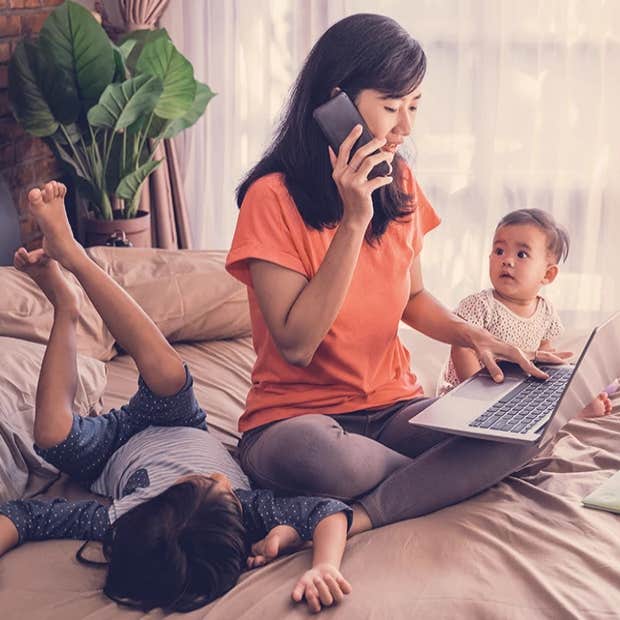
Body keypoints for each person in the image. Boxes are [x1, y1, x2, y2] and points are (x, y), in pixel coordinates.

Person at [225, 13, 581, 531]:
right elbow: (297, 344)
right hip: (296, 421)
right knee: (322, 456)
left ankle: (366, 514)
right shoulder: (271, 197)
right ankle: (443, 479)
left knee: (529, 427)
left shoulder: (401, 180)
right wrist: (353, 220)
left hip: (393, 409)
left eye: (413, 106)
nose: (405, 127)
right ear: (335, 103)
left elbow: (413, 298)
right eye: (391, 107)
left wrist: (477, 336)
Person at [0, 182, 362, 614]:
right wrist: (320, 563)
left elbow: (25, 518)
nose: (224, 478)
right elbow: (328, 511)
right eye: (222, 487)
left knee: (51, 434)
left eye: (202, 481)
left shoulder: (122, 521)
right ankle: (75, 256)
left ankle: (66, 305)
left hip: (107, 453)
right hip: (174, 421)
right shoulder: (246, 511)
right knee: (170, 373)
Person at [438, 208, 617, 416]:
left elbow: (544, 351)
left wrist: (560, 373)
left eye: (521, 254)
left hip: (512, 390)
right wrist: (481, 400)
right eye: (499, 251)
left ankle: (568, 408)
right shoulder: (479, 305)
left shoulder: (546, 310)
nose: (507, 260)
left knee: (547, 389)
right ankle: (563, 411)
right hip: (465, 394)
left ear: (548, 274)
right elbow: (461, 349)